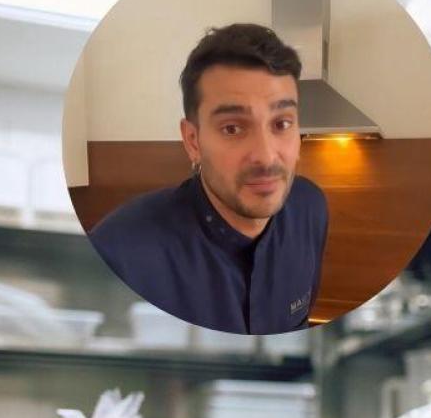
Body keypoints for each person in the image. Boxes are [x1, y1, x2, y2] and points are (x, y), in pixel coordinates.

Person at [88, 23, 327, 335]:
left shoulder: (312, 208)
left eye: (282, 123)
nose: (266, 157)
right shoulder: (121, 248)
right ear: (193, 141)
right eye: (232, 128)